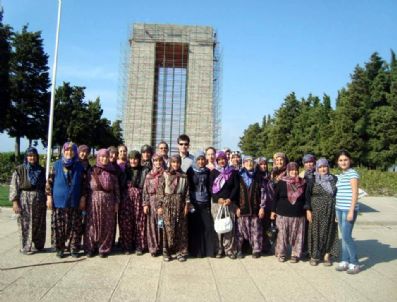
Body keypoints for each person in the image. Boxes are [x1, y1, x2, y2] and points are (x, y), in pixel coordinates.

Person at [46, 142, 87, 258]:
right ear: (63, 151)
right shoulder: (56, 165)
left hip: (75, 200)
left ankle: (74, 248)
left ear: (75, 152)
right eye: (67, 150)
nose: (69, 152)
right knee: (59, 227)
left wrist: (83, 198)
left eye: (72, 150)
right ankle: (60, 248)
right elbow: (49, 183)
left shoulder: (79, 166)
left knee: (75, 226)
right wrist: (49, 197)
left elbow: (84, 184)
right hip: (59, 201)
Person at [10, 147, 46, 255]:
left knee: (39, 223)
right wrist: (15, 202)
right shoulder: (19, 169)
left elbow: (45, 184)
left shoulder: (41, 169)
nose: (32, 158)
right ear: (26, 157)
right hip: (25, 197)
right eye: (30, 156)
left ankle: (39, 245)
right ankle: (26, 246)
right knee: (25, 223)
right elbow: (14, 186)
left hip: (39, 198)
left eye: (34, 156)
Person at [85, 149, 120, 258]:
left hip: (109, 202)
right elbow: (86, 187)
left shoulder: (112, 171)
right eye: (102, 157)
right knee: (92, 224)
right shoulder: (91, 171)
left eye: (106, 157)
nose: (104, 159)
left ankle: (103, 248)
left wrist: (117, 203)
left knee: (107, 225)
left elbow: (116, 189)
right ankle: (91, 247)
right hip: (93, 202)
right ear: (98, 157)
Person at [305, 158, 339, 266]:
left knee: (330, 232)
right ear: (317, 168)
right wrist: (308, 210)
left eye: (325, 166)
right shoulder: (313, 179)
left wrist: (338, 211)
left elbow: (338, 194)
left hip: (331, 211)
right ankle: (314, 255)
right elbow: (307, 196)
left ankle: (327, 255)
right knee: (316, 233)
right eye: (320, 167)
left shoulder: (334, 179)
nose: (323, 169)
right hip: (316, 211)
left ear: (328, 167)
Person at [271, 162, 306, 263]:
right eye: (291, 170)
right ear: (288, 171)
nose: (294, 172)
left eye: (295, 170)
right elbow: (275, 198)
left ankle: (295, 254)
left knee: (297, 236)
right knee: (282, 235)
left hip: (298, 214)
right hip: (282, 214)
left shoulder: (303, 183)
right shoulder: (281, 182)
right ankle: (281, 253)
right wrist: (273, 211)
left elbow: (305, 198)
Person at [157, 155, 190, 262]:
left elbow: (187, 192)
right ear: (170, 163)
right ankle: (167, 252)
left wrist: (186, 205)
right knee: (168, 228)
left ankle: (180, 252)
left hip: (180, 204)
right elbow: (160, 191)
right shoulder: (165, 174)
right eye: (173, 162)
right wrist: (160, 206)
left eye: (178, 162)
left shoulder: (184, 176)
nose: (176, 164)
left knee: (180, 228)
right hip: (167, 204)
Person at [210, 151, 239, 259]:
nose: (222, 161)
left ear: (227, 160)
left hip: (229, 203)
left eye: (223, 159)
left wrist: (230, 199)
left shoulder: (233, 172)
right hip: (217, 204)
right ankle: (218, 249)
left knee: (228, 227)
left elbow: (236, 187)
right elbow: (210, 188)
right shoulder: (213, 172)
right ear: (217, 161)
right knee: (218, 227)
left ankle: (229, 249)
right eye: (219, 160)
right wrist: (218, 199)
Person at [335, 150, 360, 274]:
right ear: (337, 162)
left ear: (350, 160)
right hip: (339, 209)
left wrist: (351, 211)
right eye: (340, 160)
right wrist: (336, 212)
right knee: (343, 237)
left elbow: (355, 193)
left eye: (345, 160)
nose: (343, 162)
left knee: (346, 236)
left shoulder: (353, 174)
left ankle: (354, 263)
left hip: (348, 210)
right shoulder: (341, 175)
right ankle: (345, 261)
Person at [186, 150, 215, 258]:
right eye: (199, 159)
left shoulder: (208, 171)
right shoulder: (190, 171)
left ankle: (208, 251)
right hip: (194, 203)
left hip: (205, 202)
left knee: (207, 227)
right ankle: (196, 252)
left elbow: (210, 187)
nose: (201, 161)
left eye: (203, 159)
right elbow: (187, 187)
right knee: (195, 227)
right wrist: (189, 203)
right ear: (195, 160)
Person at [236, 156, 264, 258]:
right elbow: (235, 193)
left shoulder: (258, 176)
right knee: (240, 231)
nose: (249, 163)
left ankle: (256, 250)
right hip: (242, 208)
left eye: (251, 161)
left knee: (256, 230)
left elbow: (263, 192)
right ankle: (239, 249)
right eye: (246, 162)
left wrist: (262, 207)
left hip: (255, 208)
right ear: (243, 163)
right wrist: (236, 207)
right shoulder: (238, 176)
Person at [124, 150, 149, 255]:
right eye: (131, 158)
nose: (133, 161)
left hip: (139, 200)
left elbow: (146, 187)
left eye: (135, 159)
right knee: (127, 223)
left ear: (139, 160)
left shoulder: (144, 170)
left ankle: (139, 246)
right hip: (127, 201)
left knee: (140, 223)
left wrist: (145, 202)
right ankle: (128, 246)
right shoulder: (125, 170)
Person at [143, 153, 165, 257]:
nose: (158, 163)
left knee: (161, 224)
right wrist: (145, 204)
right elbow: (145, 191)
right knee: (152, 225)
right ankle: (153, 247)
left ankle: (161, 246)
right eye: (156, 160)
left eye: (160, 160)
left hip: (162, 202)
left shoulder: (165, 174)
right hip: (151, 202)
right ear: (153, 161)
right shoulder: (149, 175)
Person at [254, 157, 274, 254]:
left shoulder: (270, 176)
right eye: (261, 164)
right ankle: (258, 246)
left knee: (267, 227)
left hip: (269, 205)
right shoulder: (256, 177)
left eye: (265, 164)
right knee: (258, 227)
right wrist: (261, 206)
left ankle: (266, 246)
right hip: (258, 206)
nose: (264, 166)